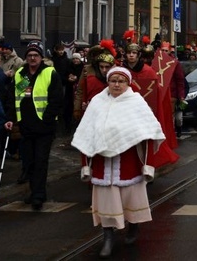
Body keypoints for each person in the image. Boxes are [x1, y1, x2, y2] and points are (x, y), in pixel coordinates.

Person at [71, 67, 165, 259]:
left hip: (128, 163)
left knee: (130, 198)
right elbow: (86, 134)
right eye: (113, 80)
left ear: (127, 83)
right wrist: (85, 164)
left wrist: (147, 164)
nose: (116, 84)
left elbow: (148, 133)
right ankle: (108, 237)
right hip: (102, 164)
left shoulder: (136, 102)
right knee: (106, 201)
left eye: (120, 81)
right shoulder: (97, 102)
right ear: (108, 82)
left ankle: (134, 226)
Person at [4, 41, 63, 211]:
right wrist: (11, 118)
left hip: (44, 127)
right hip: (25, 125)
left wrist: (48, 119)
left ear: (41, 57)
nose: (32, 58)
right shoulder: (21, 74)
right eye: (29, 55)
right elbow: (14, 96)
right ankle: (34, 191)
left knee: (40, 161)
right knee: (28, 161)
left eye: (35, 55)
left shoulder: (49, 73)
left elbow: (56, 99)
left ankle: (38, 195)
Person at [123, 43, 178, 168]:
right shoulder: (122, 71)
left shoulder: (148, 71)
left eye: (134, 53)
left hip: (144, 114)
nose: (131, 55)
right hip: (126, 113)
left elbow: (154, 93)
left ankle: (147, 167)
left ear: (138, 55)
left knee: (144, 142)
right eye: (129, 53)